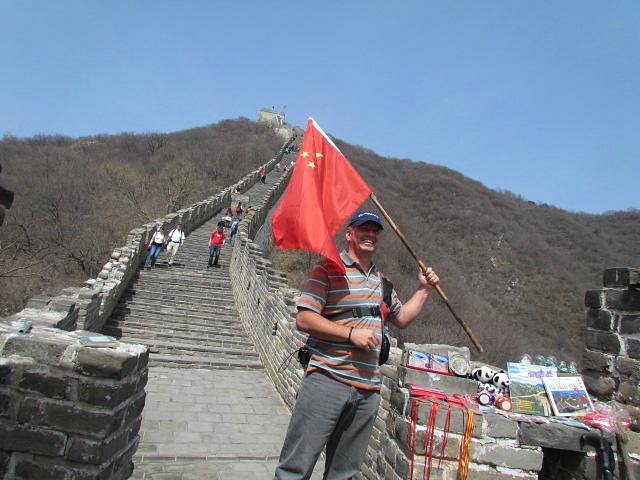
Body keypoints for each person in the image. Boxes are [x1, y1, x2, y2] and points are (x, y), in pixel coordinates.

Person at [274, 211, 439, 480]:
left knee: (344, 474)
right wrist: (350, 334)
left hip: (368, 392)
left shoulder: (382, 283)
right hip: (327, 380)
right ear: (349, 234)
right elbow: (304, 317)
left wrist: (424, 290)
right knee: (296, 466)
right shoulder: (329, 268)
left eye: (375, 231)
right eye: (364, 229)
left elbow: (402, 318)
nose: (370, 235)